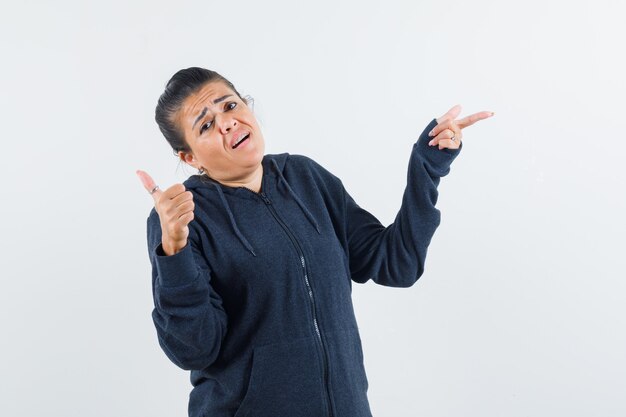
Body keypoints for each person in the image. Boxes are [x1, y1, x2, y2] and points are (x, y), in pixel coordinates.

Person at [136, 67, 493, 417]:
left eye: (229, 106)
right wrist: (175, 250)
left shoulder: (306, 178)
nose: (227, 123)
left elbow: (396, 263)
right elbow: (194, 349)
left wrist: (426, 167)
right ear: (189, 157)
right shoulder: (181, 218)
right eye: (206, 124)